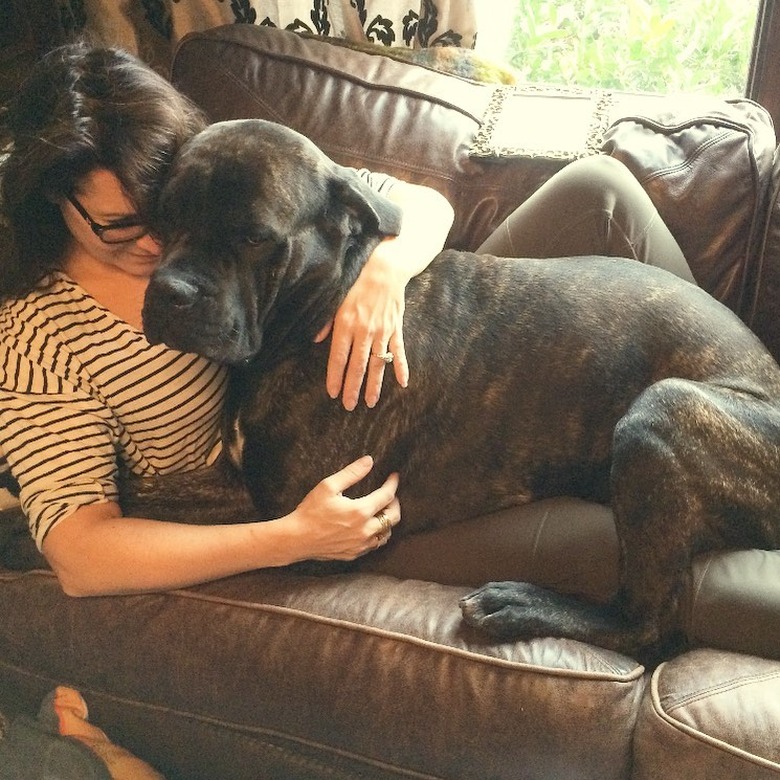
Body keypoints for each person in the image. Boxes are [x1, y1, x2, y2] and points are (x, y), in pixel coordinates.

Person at [0, 41, 694, 599]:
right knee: (617, 540)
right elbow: (84, 556)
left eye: (171, 207)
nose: (166, 248)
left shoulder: (227, 181)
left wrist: (385, 274)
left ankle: (727, 402)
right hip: (338, 494)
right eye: (125, 228)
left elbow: (412, 205)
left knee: (599, 190)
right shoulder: (40, 336)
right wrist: (290, 537)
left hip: (426, 347)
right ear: (53, 203)